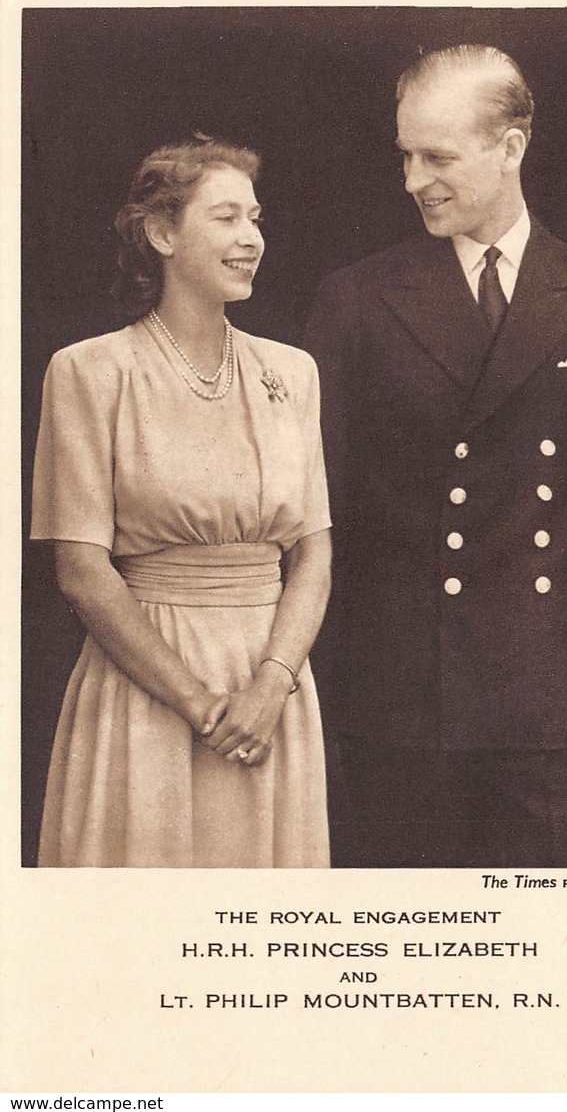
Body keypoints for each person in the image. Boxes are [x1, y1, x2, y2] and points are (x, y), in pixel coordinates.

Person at [304, 44, 567, 868]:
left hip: (545, 701)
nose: (412, 179)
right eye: (405, 154)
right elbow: (326, 503)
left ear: (513, 146)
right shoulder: (356, 298)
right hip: (400, 701)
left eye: (438, 156)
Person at [31, 137, 332, 867]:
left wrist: (270, 684)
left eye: (255, 219)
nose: (251, 238)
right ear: (162, 234)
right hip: (147, 685)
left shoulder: (292, 372)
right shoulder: (89, 371)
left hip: (272, 687)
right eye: (227, 218)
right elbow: (81, 569)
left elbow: (315, 550)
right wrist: (199, 703)